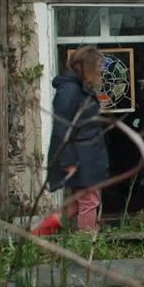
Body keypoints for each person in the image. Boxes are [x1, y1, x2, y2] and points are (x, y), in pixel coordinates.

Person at [37, 45, 110, 233]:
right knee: (90, 200)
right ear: (85, 66)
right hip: (79, 155)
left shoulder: (78, 89)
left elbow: (80, 118)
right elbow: (62, 126)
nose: (100, 71)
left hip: (86, 154)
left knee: (78, 202)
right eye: (97, 66)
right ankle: (86, 244)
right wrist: (68, 160)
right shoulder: (69, 90)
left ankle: (46, 227)